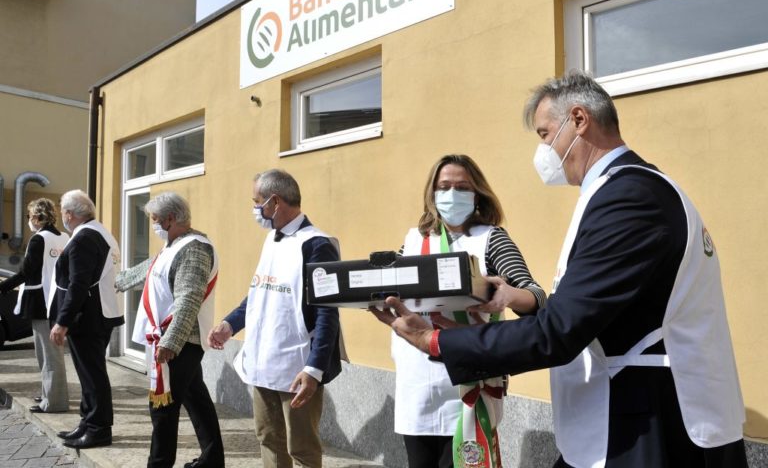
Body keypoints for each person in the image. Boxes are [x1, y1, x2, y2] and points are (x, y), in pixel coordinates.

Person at [372, 71, 748, 468]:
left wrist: (435, 341)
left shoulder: (630, 198)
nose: (544, 151)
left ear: (580, 121)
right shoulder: (626, 190)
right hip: (626, 415)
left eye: (545, 134)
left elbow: (559, 331)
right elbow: (580, 314)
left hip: (648, 424)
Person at [394, 154, 546, 468]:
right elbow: (390, 289)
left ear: (477, 193)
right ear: (432, 193)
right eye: (444, 186)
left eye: (462, 186)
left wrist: (506, 295)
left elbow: (537, 296)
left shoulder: (492, 239)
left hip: (467, 383)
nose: (452, 194)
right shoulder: (413, 241)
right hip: (417, 384)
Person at [207, 169, 342, 468]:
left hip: (297, 365)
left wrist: (315, 368)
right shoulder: (272, 239)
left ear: (275, 201)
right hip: (263, 359)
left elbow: (327, 312)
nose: (255, 209)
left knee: (302, 447)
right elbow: (260, 292)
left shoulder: (316, 244)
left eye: (257, 202)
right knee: (268, 438)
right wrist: (229, 324)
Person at [115, 192, 225, 468]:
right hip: (172, 339)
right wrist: (113, 278)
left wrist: (170, 343)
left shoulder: (195, 248)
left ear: (170, 219)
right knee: (196, 398)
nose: (152, 225)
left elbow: (188, 300)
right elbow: (144, 272)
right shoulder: (173, 245)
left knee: (162, 409)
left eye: (154, 220)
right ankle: (213, 460)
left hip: (180, 341)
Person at [49, 189, 124, 449]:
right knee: (89, 373)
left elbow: (78, 283)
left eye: (62, 212)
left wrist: (63, 320)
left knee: (92, 375)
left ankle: (98, 429)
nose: (62, 217)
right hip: (100, 313)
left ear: (69, 214)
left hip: (88, 316)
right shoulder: (100, 232)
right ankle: (87, 421)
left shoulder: (84, 238)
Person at [0, 198, 69, 413]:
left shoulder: (39, 240)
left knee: (48, 355)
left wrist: (3, 287)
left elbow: (25, 272)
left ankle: (54, 402)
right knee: (51, 353)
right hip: (58, 300)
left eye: (29, 216)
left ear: (38, 217)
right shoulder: (64, 237)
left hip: (41, 302)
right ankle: (49, 393)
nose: (29, 221)